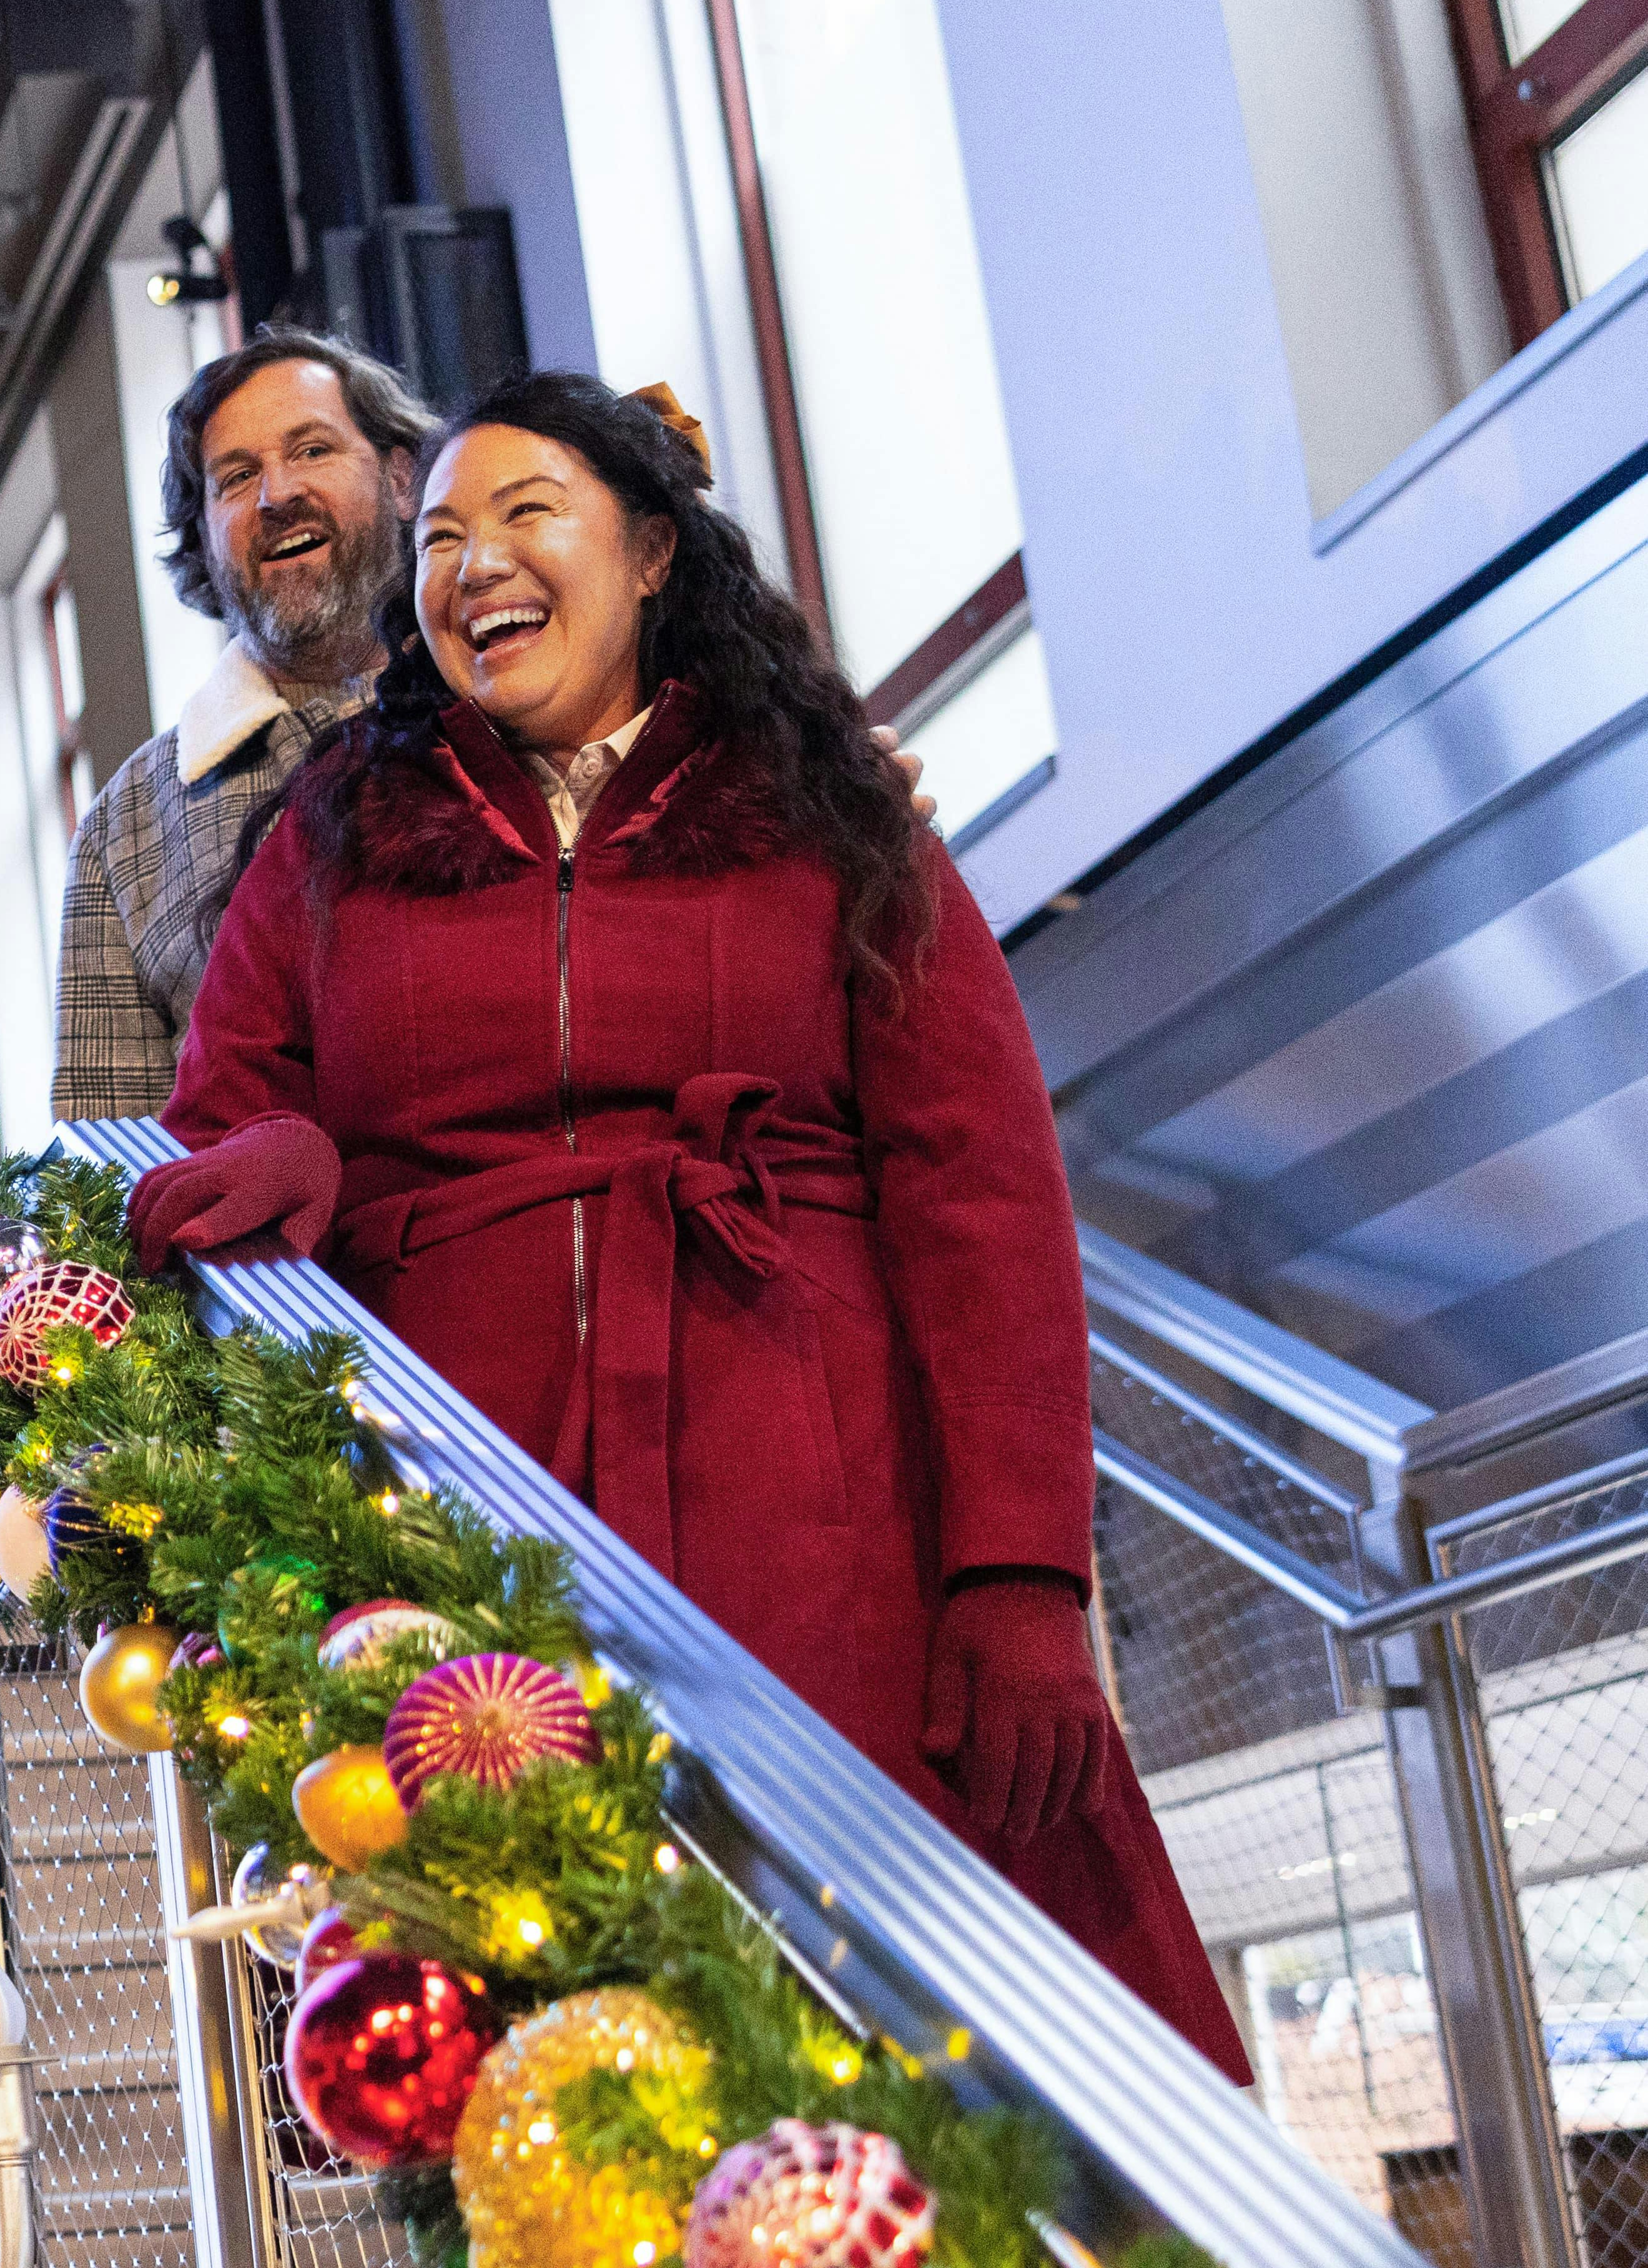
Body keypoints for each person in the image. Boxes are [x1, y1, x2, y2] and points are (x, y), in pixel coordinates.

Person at [131, 370, 1248, 2078]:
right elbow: (220, 1105)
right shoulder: (325, 841)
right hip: (461, 1536)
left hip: (816, 1509)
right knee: (555, 2055)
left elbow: (980, 1200)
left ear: (648, 551)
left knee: (883, 2021)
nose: (469, 565)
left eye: (524, 516)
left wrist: (1016, 1577)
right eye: (435, 538)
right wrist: (280, 1152)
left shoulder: (826, 812)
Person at [49, 330, 437, 1128]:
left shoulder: (513, 698)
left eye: (312, 449)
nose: (276, 495)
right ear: (203, 537)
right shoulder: (124, 830)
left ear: (403, 479)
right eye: (236, 477)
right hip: (270, 1253)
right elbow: (109, 1163)